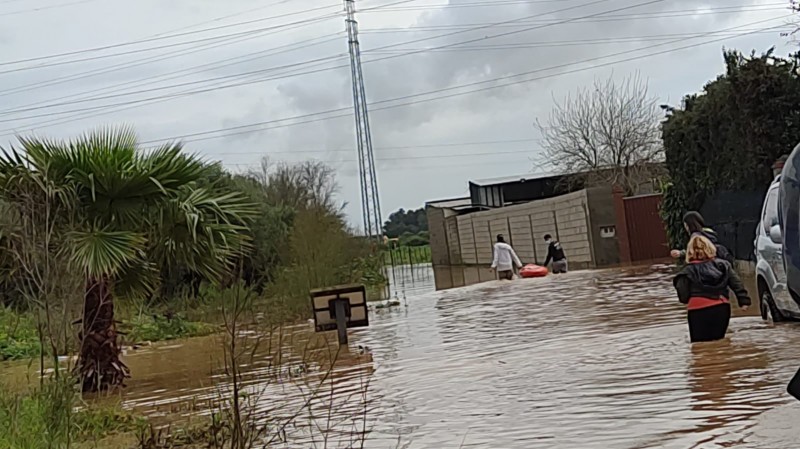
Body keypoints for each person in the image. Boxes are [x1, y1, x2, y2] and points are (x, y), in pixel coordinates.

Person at [673, 234, 751, 343]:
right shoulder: (724, 265)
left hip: (697, 310)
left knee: (699, 348)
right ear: (710, 248)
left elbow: (683, 297)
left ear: (689, 252)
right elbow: (736, 284)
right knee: (720, 342)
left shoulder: (686, 271)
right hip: (721, 307)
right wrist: (744, 301)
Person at [670, 211, 735, 265]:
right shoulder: (709, 231)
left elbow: (698, 250)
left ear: (688, 225)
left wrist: (681, 253)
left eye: (685, 225)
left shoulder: (696, 236)